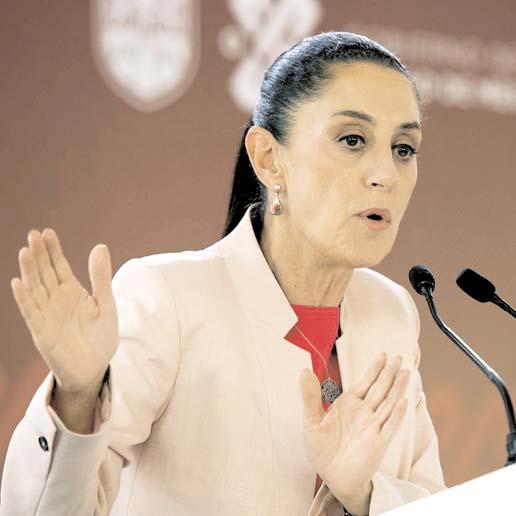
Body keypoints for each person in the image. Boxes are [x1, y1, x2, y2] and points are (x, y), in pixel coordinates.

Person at [1, 31, 446, 516]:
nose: (385, 174)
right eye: (352, 140)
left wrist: (360, 496)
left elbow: (438, 505)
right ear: (268, 159)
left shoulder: (392, 316)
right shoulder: (168, 299)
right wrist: (79, 397)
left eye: (404, 148)